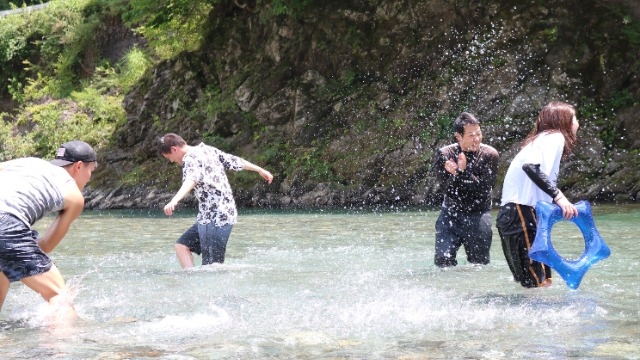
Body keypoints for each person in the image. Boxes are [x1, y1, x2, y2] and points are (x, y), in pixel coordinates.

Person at [0, 140, 97, 318]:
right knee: (59, 296)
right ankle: (58, 345)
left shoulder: (28, 163)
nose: (89, 177)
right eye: (91, 170)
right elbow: (45, 246)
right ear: (79, 166)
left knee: (3, 268)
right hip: (6, 223)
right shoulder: (75, 197)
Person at [158, 133, 273, 268]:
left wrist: (174, 200)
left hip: (215, 218)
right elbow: (234, 161)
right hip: (214, 216)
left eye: (169, 157)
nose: (171, 161)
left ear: (174, 149)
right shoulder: (206, 149)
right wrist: (259, 169)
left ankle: (226, 285)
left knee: (212, 267)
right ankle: (190, 280)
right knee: (182, 245)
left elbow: (191, 180)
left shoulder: (190, 159)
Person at [496, 101, 579, 288]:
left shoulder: (542, 139)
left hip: (516, 215)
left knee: (537, 281)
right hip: (520, 214)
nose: (577, 123)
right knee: (536, 282)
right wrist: (560, 198)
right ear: (563, 121)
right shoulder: (555, 137)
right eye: (575, 118)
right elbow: (531, 167)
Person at [431, 112, 499, 267]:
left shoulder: (490, 154)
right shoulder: (445, 154)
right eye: (471, 135)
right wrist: (457, 174)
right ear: (458, 136)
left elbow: (483, 189)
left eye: (479, 134)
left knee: (479, 264)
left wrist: (461, 171)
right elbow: (447, 190)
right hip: (450, 214)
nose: (476, 139)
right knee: (443, 261)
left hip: (478, 214)